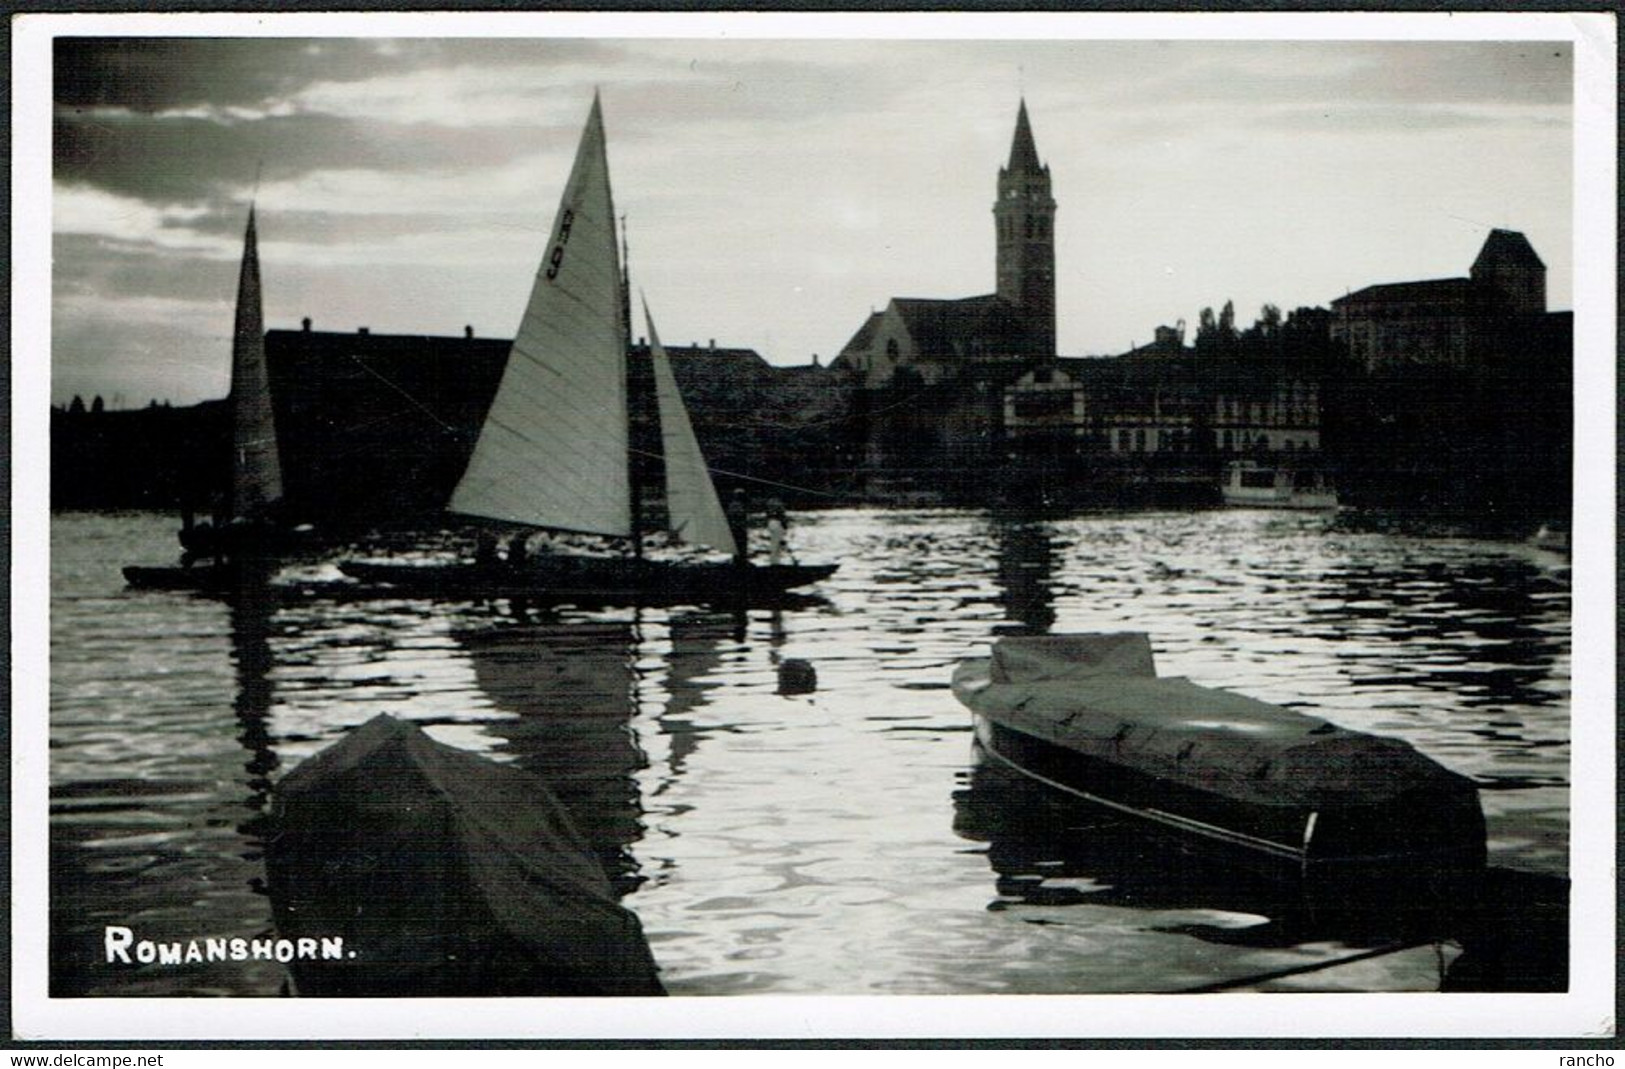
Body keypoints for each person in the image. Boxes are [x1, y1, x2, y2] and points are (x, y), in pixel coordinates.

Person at [724, 489, 749, 567]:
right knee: (740, 545)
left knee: (740, 545)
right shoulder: (735, 505)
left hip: (738, 528)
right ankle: (739, 561)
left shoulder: (737, 504)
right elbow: (735, 516)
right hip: (738, 528)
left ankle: (740, 560)